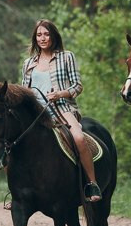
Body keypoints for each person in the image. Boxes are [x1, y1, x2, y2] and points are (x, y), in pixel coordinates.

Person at [20, 19, 102, 202]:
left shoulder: (66, 57)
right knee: (14, 141)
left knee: (79, 138)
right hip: (35, 113)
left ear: (53, 36)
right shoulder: (28, 63)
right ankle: (17, 191)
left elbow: (77, 86)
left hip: (62, 108)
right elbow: (24, 91)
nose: (43, 38)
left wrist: (60, 94)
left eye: (46, 34)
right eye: (39, 35)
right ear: (35, 38)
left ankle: (92, 184)